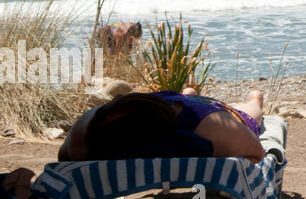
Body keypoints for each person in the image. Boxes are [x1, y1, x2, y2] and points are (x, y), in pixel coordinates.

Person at [59, 88, 268, 163]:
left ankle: (255, 97)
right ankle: (189, 93)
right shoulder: (92, 127)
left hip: (190, 111)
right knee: (246, 115)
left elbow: (257, 153)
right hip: (154, 105)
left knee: (250, 112)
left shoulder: (212, 127)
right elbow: (257, 154)